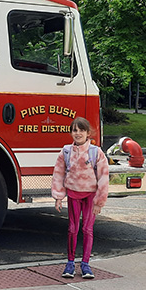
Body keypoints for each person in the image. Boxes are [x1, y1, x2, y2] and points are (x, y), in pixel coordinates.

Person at [52, 117, 109, 279]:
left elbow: (103, 177)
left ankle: (85, 264)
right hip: (73, 195)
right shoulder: (66, 152)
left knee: (87, 229)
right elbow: (59, 174)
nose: (78, 133)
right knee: (72, 229)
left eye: (81, 130)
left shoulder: (95, 152)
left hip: (90, 196)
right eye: (75, 130)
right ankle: (70, 263)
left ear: (88, 133)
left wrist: (99, 202)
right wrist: (58, 197)